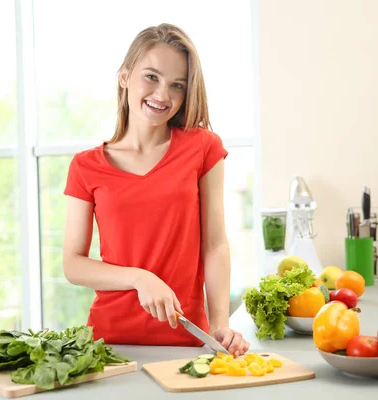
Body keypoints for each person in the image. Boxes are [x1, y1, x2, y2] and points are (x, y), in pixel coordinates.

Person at [62, 23, 250, 356]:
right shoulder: (85, 166)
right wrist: (139, 278)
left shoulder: (202, 148)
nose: (163, 95)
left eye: (177, 85)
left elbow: (215, 245)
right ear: (124, 77)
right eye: (151, 77)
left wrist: (220, 325)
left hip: (187, 341)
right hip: (109, 345)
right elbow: (73, 265)